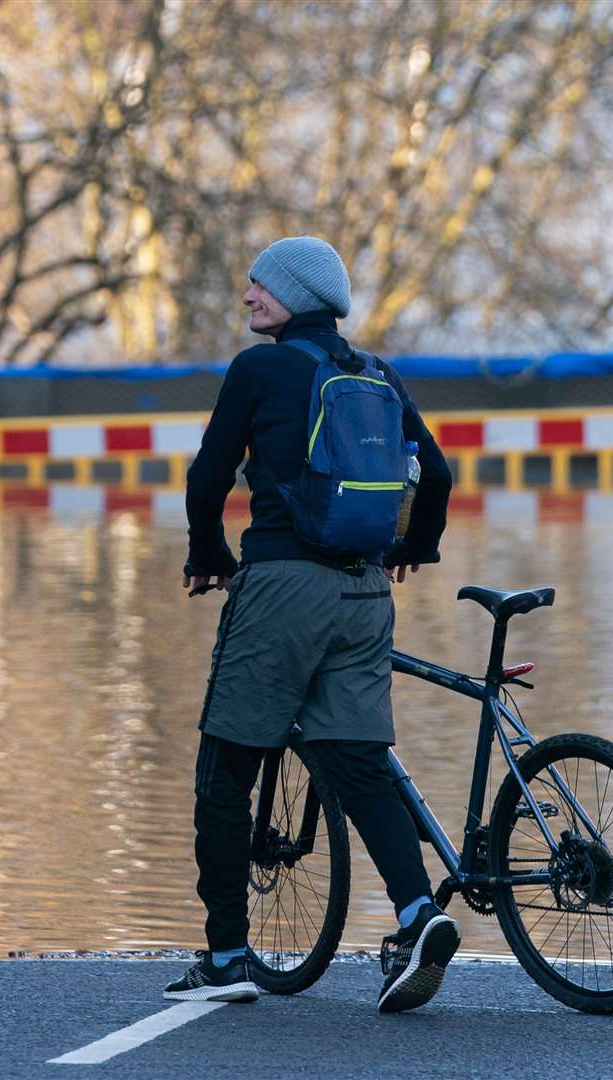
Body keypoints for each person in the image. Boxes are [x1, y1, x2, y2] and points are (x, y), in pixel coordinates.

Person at [163, 236, 456, 1014]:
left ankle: (226, 955)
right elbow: (439, 472)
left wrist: (209, 556)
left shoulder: (258, 369)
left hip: (282, 589)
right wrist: (412, 549)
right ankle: (418, 913)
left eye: (262, 283)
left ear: (296, 295)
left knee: (227, 768)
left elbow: (207, 476)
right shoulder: (375, 373)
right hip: (364, 593)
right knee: (358, 763)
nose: (250, 294)